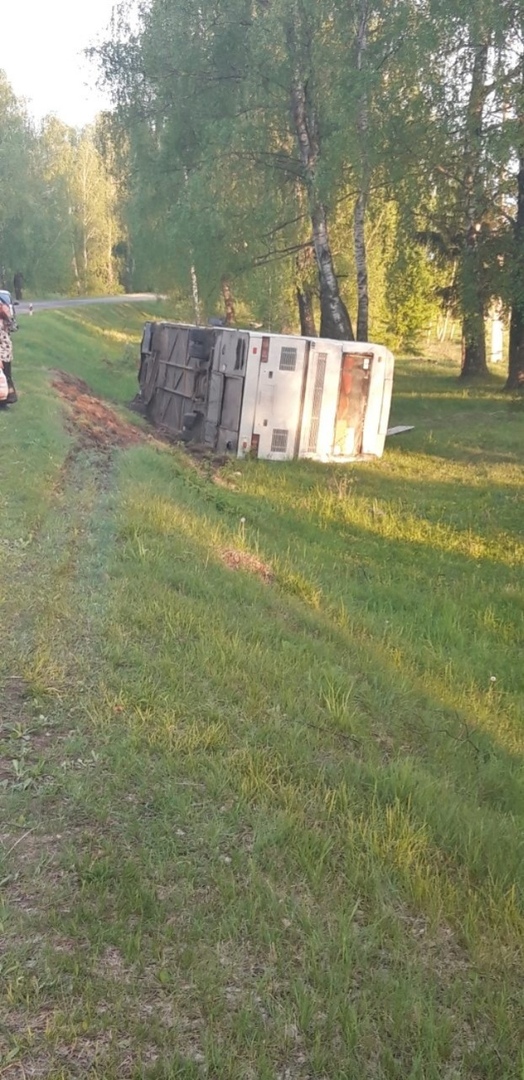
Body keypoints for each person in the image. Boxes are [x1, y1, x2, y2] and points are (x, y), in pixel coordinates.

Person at [0, 299, 17, 404]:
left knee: (7, 376)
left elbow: (14, 328)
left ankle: (7, 398)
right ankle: (4, 400)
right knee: (2, 378)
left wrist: (8, 316)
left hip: (6, 353)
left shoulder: (3, 319)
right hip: (0, 354)